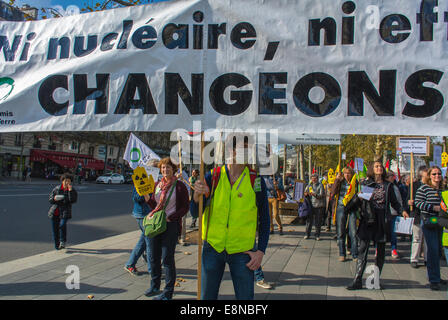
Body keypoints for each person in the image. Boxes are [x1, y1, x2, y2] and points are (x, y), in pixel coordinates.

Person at [193, 135, 270, 300]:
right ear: (231, 150)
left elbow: (265, 220)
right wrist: (195, 197)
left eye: (251, 148)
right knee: (206, 298)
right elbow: (194, 213)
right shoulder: (213, 176)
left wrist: (261, 251)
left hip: (243, 252)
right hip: (212, 248)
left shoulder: (256, 180)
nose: (249, 152)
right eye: (245, 147)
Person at [345, 160, 403, 290]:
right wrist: (354, 202)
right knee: (363, 250)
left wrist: (402, 210)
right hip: (369, 219)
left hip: (382, 220)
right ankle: (357, 280)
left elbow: (394, 202)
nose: (379, 168)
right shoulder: (368, 184)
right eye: (376, 166)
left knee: (380, 252)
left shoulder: (388, 185)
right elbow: (360, 200)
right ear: (372, 169)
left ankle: (375, 280)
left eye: (380, 166)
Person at [143, 157, 189, 300]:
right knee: (153, 257)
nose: (165, 170)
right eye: (163, 167)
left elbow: (185, 207)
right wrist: (147, 197)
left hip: (170, 225)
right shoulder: (157, 184)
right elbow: (154, 205)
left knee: (167, 259)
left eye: (168, 167)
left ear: (174, 169)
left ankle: (168, 292)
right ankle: (155, 285)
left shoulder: (179, 186)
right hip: (155, 224)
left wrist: (172, 217)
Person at [414, 166, 447, 291]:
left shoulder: (443, 189)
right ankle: (433, 279)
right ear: (429, 176)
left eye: (439, 174)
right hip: (429, 220)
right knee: (432, 250)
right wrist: (433, 208)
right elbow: (418, 202)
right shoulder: (424, 188)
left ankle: (437, 276)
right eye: (434, 174)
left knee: (438, 250)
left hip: (441, 221)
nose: (437, 176)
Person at [329, 167, 359, 262]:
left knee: (353, 232)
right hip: (341, 207)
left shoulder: (355, 182)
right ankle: (342, 253)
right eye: (345, 173)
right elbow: (332, 193)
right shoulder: (340, 181)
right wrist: (337, 179)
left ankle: (355, 254)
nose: (347, 175)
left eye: (349, 173)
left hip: (352, 208)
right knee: (340, 231)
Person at [403, 166, 428, 268]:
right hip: (417, 214)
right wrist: (408, 203)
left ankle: (427, 258)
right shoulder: (414, 185)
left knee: (427, 239)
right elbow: (407, 198)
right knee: (417, 238)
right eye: (427, 172)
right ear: (422, 174)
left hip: (428, 214)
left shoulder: (430, 185)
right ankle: (414, 258)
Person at [124, 186, 152, 276]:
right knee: (150, 243)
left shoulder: (153, 180)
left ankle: (130, 264)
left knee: (143, 241)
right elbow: (136, 197)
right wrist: (146, 192)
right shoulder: (141, 180)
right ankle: (153, 270)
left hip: (149, 214)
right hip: (142, 215)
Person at [47, 173, 78, 250]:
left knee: (62, 224)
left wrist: (70, 191)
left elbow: (73, 200)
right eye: (65, 181)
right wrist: (54, 199)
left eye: (69, 181)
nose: (67, 183)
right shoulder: (56, 189)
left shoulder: (72, 190)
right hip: (55, 212)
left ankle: (62, 241)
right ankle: (57, 246)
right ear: (62, 181)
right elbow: (50, 199)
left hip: (65, 211)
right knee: (55, 230)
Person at [385, 171, 403, 259]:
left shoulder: (395, 187)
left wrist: (401, 210)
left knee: (393, 232)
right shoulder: (384, 186)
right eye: (392, 176)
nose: (394, 177)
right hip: (384, 213)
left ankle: (393, 248)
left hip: (394, 212)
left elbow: (398, 200)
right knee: (382, 232)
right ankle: (378, 248)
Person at [304, 173, 326, 240]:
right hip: (310, 205)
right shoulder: (309, 185)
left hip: (318, 205)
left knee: (318, 221)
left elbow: (321, 195)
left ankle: (317, 235)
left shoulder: (320, 185)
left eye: (315, 178)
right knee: (309, 221)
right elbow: (305, 192)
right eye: (312, 178)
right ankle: (307, 234)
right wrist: (306, 194)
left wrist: (314, 194)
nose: (313, 179)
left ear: (317, 179)